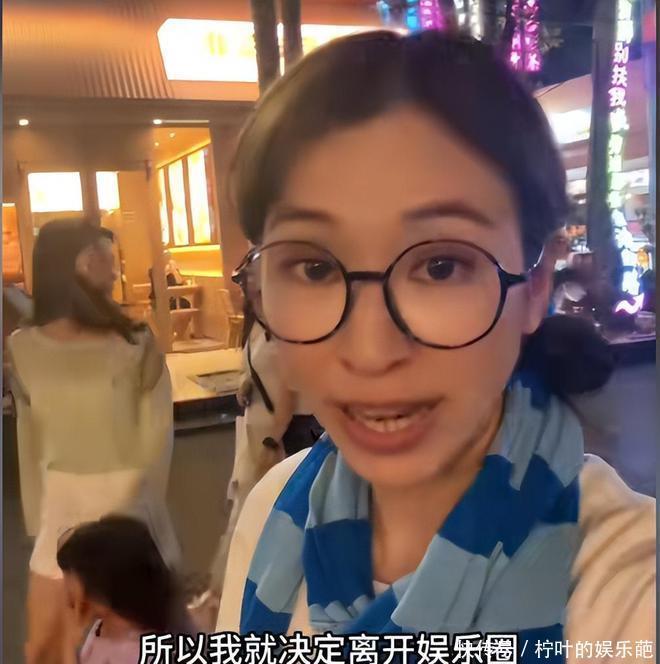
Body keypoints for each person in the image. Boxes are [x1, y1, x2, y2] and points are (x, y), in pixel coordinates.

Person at [216, 30, 655, 659]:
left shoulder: (628, 594)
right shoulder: (275, 513)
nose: (370, 352)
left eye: (441, 266)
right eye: (314, 267)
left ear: (535, 283)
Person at [7, 219, 180, 664]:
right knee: (50, 648)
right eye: (104, 255)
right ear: (78, 264)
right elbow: (30, 441)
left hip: (122, 514)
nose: (115, 268)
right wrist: (39, 525)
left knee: (140, 646)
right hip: (72, 512)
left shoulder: (135, 343)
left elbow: (157, 440)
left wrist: (135, 526)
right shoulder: (23, 348)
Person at [57, 516, 191, 664]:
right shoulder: (100, 627)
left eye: (69, 575)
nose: (65, 585)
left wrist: (68, 647)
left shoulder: (137, 653)